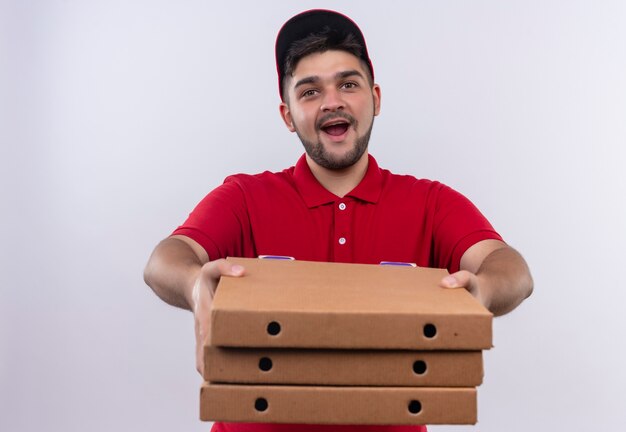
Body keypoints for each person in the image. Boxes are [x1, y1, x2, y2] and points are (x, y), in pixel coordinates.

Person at [144, 9, 533, 432]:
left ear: (376, 99)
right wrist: (194, 282)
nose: (333, 101)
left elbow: (510, 269)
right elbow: (166, 259)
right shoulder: (244, 197)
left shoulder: (430, 202)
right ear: (288, 115)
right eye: (310, 92)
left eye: (348, 84)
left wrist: (483, 291)